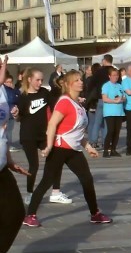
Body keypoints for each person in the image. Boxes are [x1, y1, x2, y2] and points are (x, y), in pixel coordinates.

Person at [22, 70, 112, 228]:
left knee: (87, 179)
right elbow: (52, 124)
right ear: (70, 84)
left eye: (81, 79)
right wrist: (49, 146)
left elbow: (77, 132)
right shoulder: (64, 101)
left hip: (74, 150)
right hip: (59, 149)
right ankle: (30, 215)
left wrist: (88, 146)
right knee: (47, 181)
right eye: (77, 80)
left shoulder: (78, 104)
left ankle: (95, 213)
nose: (81, 82)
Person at [15, 68, 72, 206]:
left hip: (44, 134)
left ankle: (56, 192)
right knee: (33, 165)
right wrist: (16, 114)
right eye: (37, 80)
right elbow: (19, 117)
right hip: (28, 135)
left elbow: (56, 105)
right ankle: (29, 193)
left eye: (41, 80)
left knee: (55, 160)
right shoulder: (23, 96)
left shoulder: (44, 93)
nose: (40, 82)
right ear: (29, 79)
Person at [0, 55, 30, 253]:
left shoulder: (3, 94)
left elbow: (4, 133)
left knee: (15, 213)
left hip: (1, 166)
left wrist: (9, 159)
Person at [101, 67, 126, 158]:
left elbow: (124, 97)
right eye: (114, 75)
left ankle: (113, 150)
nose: (116, 77)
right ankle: (106, 150)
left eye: (117, 75)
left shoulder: (120, 86)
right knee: (110, 131)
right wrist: (114, 101)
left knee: (117, 131)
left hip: (119, 112)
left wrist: (122, 99)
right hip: (110, 112)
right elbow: (104, 98)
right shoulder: (106, 86)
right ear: (109, 76)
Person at [3, 74, 21, 152]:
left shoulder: (13, 90)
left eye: (10, 82)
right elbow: (11, 100)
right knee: (4, 131)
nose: (9, 83)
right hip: (4, 113)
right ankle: (6, 146)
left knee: (9, 130)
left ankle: (8, 145)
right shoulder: (3, 90)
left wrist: (15, 89)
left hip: (11, 113)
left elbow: (19, 97)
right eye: (7, 82)